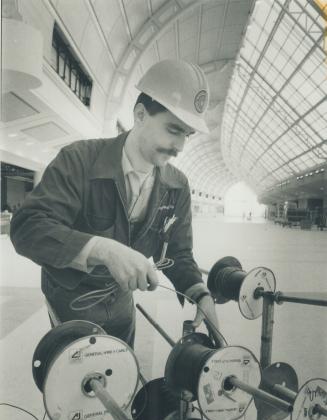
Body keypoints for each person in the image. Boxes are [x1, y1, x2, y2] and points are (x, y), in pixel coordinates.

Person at [10, 59, 220, 349]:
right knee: (77, 386)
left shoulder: (177, 186)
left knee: (122, 382)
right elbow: (26, 228)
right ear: (140, 114)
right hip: (72, 305)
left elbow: (178, 252)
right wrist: (102, 249)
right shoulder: (79, 161)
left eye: (187, 134)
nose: (180, 146)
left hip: (122, 306)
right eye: (173, 130)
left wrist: (199, 292)